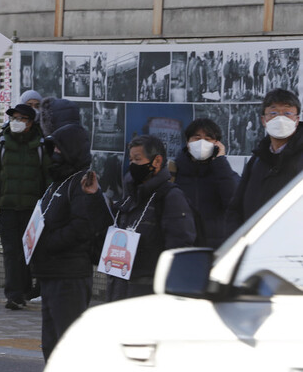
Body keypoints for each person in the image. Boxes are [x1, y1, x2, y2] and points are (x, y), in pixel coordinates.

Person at [29, 120, 111, 360]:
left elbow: (82, 227)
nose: (54, 153)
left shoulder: (80, 182)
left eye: (59, 149)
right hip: (51, 272)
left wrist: (48, 243)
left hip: (69, 275)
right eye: (52, 148)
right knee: (50, 344)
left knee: (66, 346)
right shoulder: (57, 181)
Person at [107, 135, 196, 301]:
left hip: (148, 292)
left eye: (138, 159)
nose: (132, 165)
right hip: (120, 288)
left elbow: (179, 247)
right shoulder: (129, 198)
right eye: (131, 159)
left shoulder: (170, 197)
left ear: (156, 161)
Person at [0, 102, 49, 310]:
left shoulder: (40, 145)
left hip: (32, 209)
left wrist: (46, 206)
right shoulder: (2, 142)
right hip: (7, 207)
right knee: (11, 252)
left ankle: (27, 289)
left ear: (30, 122)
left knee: (29, 251)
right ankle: (14, 295)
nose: (17, 122)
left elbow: (47, 177)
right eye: (14, 118)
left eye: (21, 119)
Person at [227, 88, 303, 231]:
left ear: (297, 120)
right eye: (273, 113)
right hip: (253, 247)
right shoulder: (257, 159)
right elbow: (235, 208)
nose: (280, 119)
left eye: (287, 113)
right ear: (264, 120)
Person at [173, 118, 240, 248]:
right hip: (182, 246)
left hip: (215, 247)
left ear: (217, 144)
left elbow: (233, 202)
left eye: (208, 139)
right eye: (197, 138)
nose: (202, 143)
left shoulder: (225, 173)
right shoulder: (173, 172)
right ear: (188, 142)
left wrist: (220, 161)